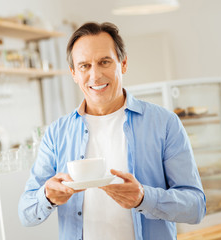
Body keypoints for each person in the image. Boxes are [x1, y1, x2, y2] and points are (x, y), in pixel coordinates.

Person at [18, 22, 206, 240]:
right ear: (73, 73)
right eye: (84, 66)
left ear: (123, 63)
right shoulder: (56, 134)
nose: (95, 75)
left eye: (104, 62)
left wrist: (145, 198)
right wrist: (47, 197)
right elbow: (25, 213)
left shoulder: (164, 123)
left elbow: (196, 207)